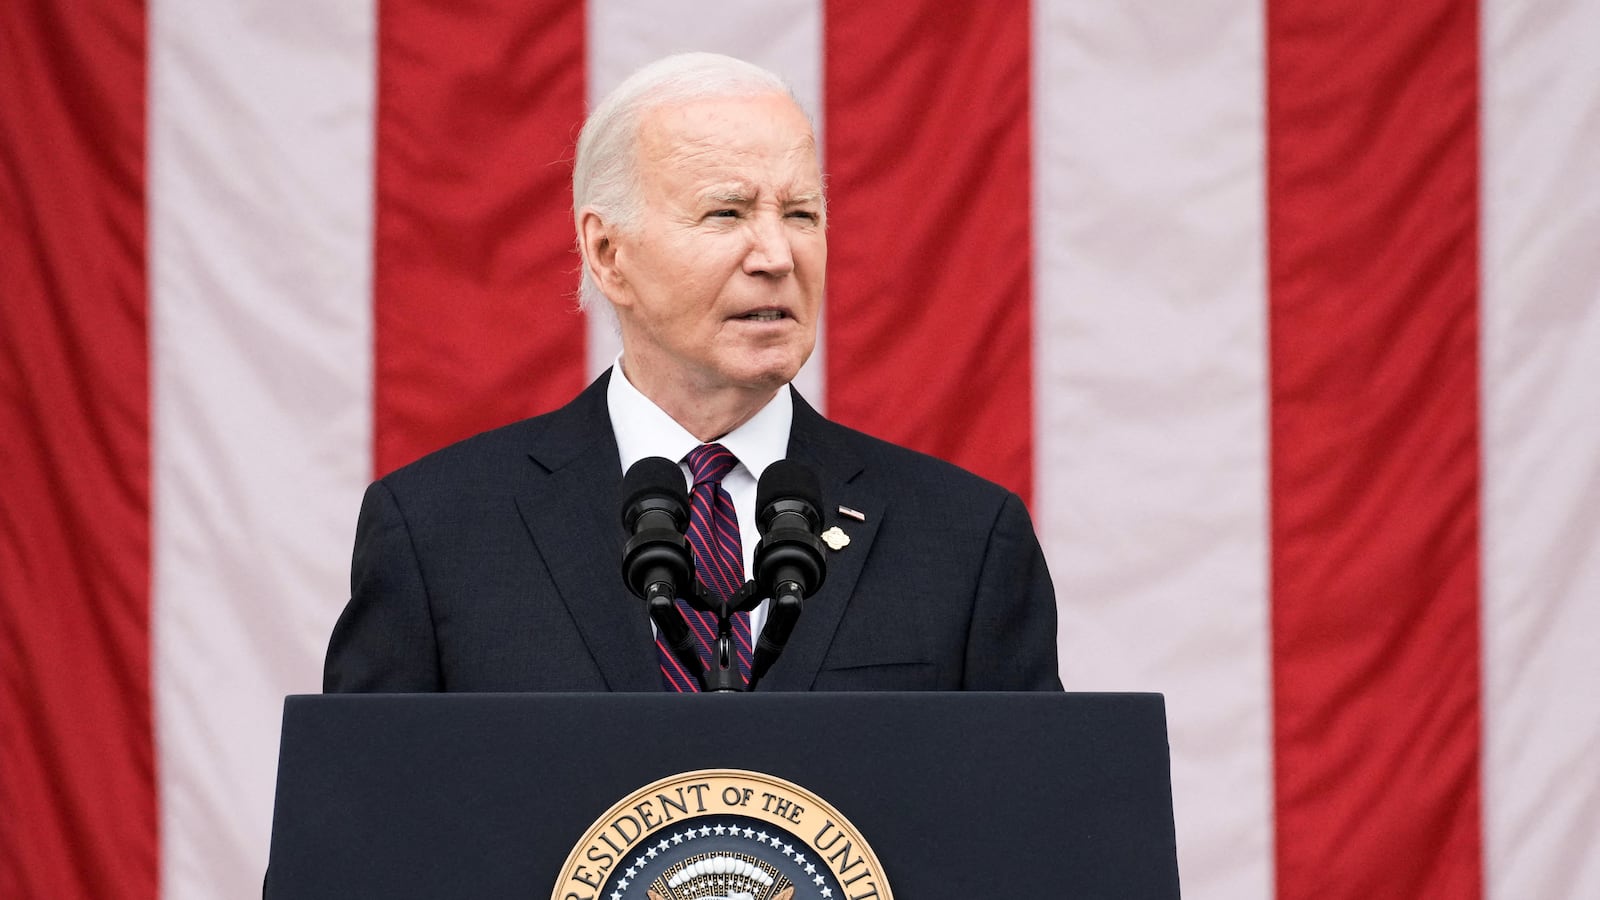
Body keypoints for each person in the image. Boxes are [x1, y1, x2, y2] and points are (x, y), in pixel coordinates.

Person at [323, 52, 1061, 693]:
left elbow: (1038, 839)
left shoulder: (965, 541)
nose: (777, 255)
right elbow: (353, 839)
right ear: (609, 255)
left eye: (801, 214)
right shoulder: (439, 534)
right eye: (727, 214)